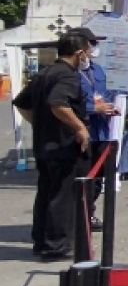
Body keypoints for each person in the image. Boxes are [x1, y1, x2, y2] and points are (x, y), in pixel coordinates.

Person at [13, 33, 92, 260]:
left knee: (46, 194)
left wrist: (40, 123)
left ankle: (42, 241)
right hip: (64, 146)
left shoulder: (44, 73)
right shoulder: (68, 76)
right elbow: (58, 103)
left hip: (45, 144)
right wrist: (79, 128)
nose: (88, 56)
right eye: (87, 52)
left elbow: (22, 103)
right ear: (79, 53)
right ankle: (55, 245)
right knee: (62, 197)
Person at [70, 27, 117, 230]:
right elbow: (65, 105)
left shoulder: (97, 70)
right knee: (81, 178)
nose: (94, 48)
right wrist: (92, 109)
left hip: (101, 131)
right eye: (92, 44)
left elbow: (103, 95)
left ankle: (89, 212)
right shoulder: (68, 73)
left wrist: (108, 107)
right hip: (81, 133)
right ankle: (79, 217)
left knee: (98, 179)